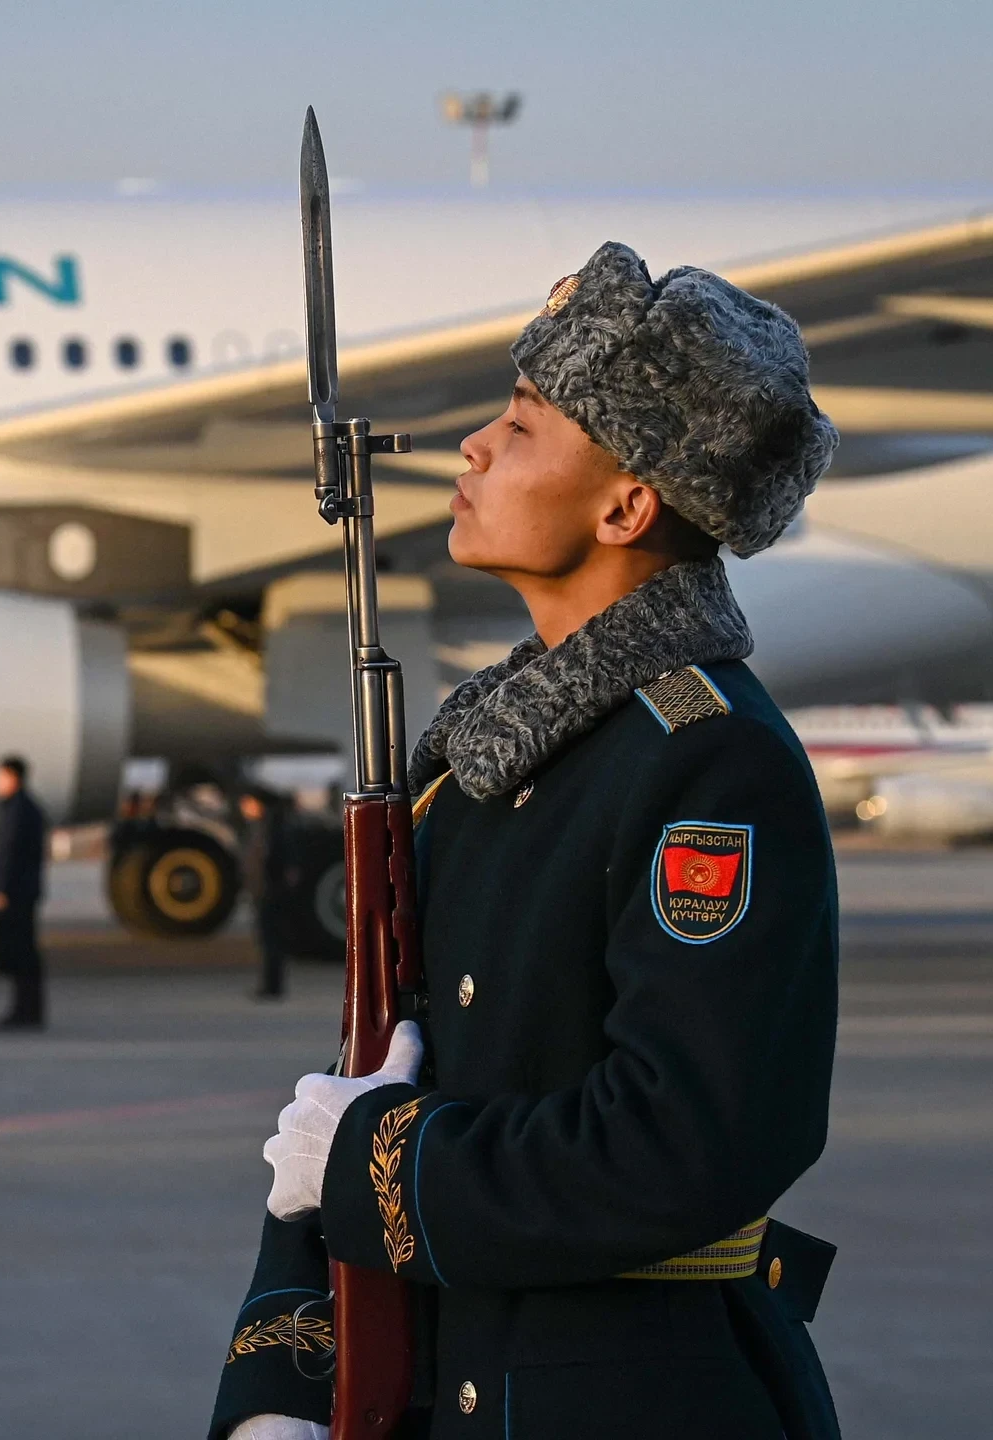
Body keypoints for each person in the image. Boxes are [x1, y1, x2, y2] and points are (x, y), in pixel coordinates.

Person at [214, 244, 843, 1440]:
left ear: (624, 506)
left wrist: (376, 1164)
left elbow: (681, 1141)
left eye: (520, 424)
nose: (473, 448)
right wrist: (278, 1387)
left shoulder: (707, 761)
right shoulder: (482, 759)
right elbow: (368, 1080)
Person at [0, 753, 48, 1031]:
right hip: (24, 890)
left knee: (21, 952)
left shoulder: (17, 811)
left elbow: (9, 854)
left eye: (0, 777)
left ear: (12, 777)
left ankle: (25, 1010)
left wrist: (1, 890)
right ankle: (28, 1009)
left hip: (16, 892)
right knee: (25, 951)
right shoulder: (23, 808)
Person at [238, 788, 299, 1000]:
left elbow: (279, 862)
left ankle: (272, 985)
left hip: (272, 892)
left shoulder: (272, 829)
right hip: (267, 891)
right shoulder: (268, 826)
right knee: (269, 940)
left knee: (271, 940)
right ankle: (270, 983)